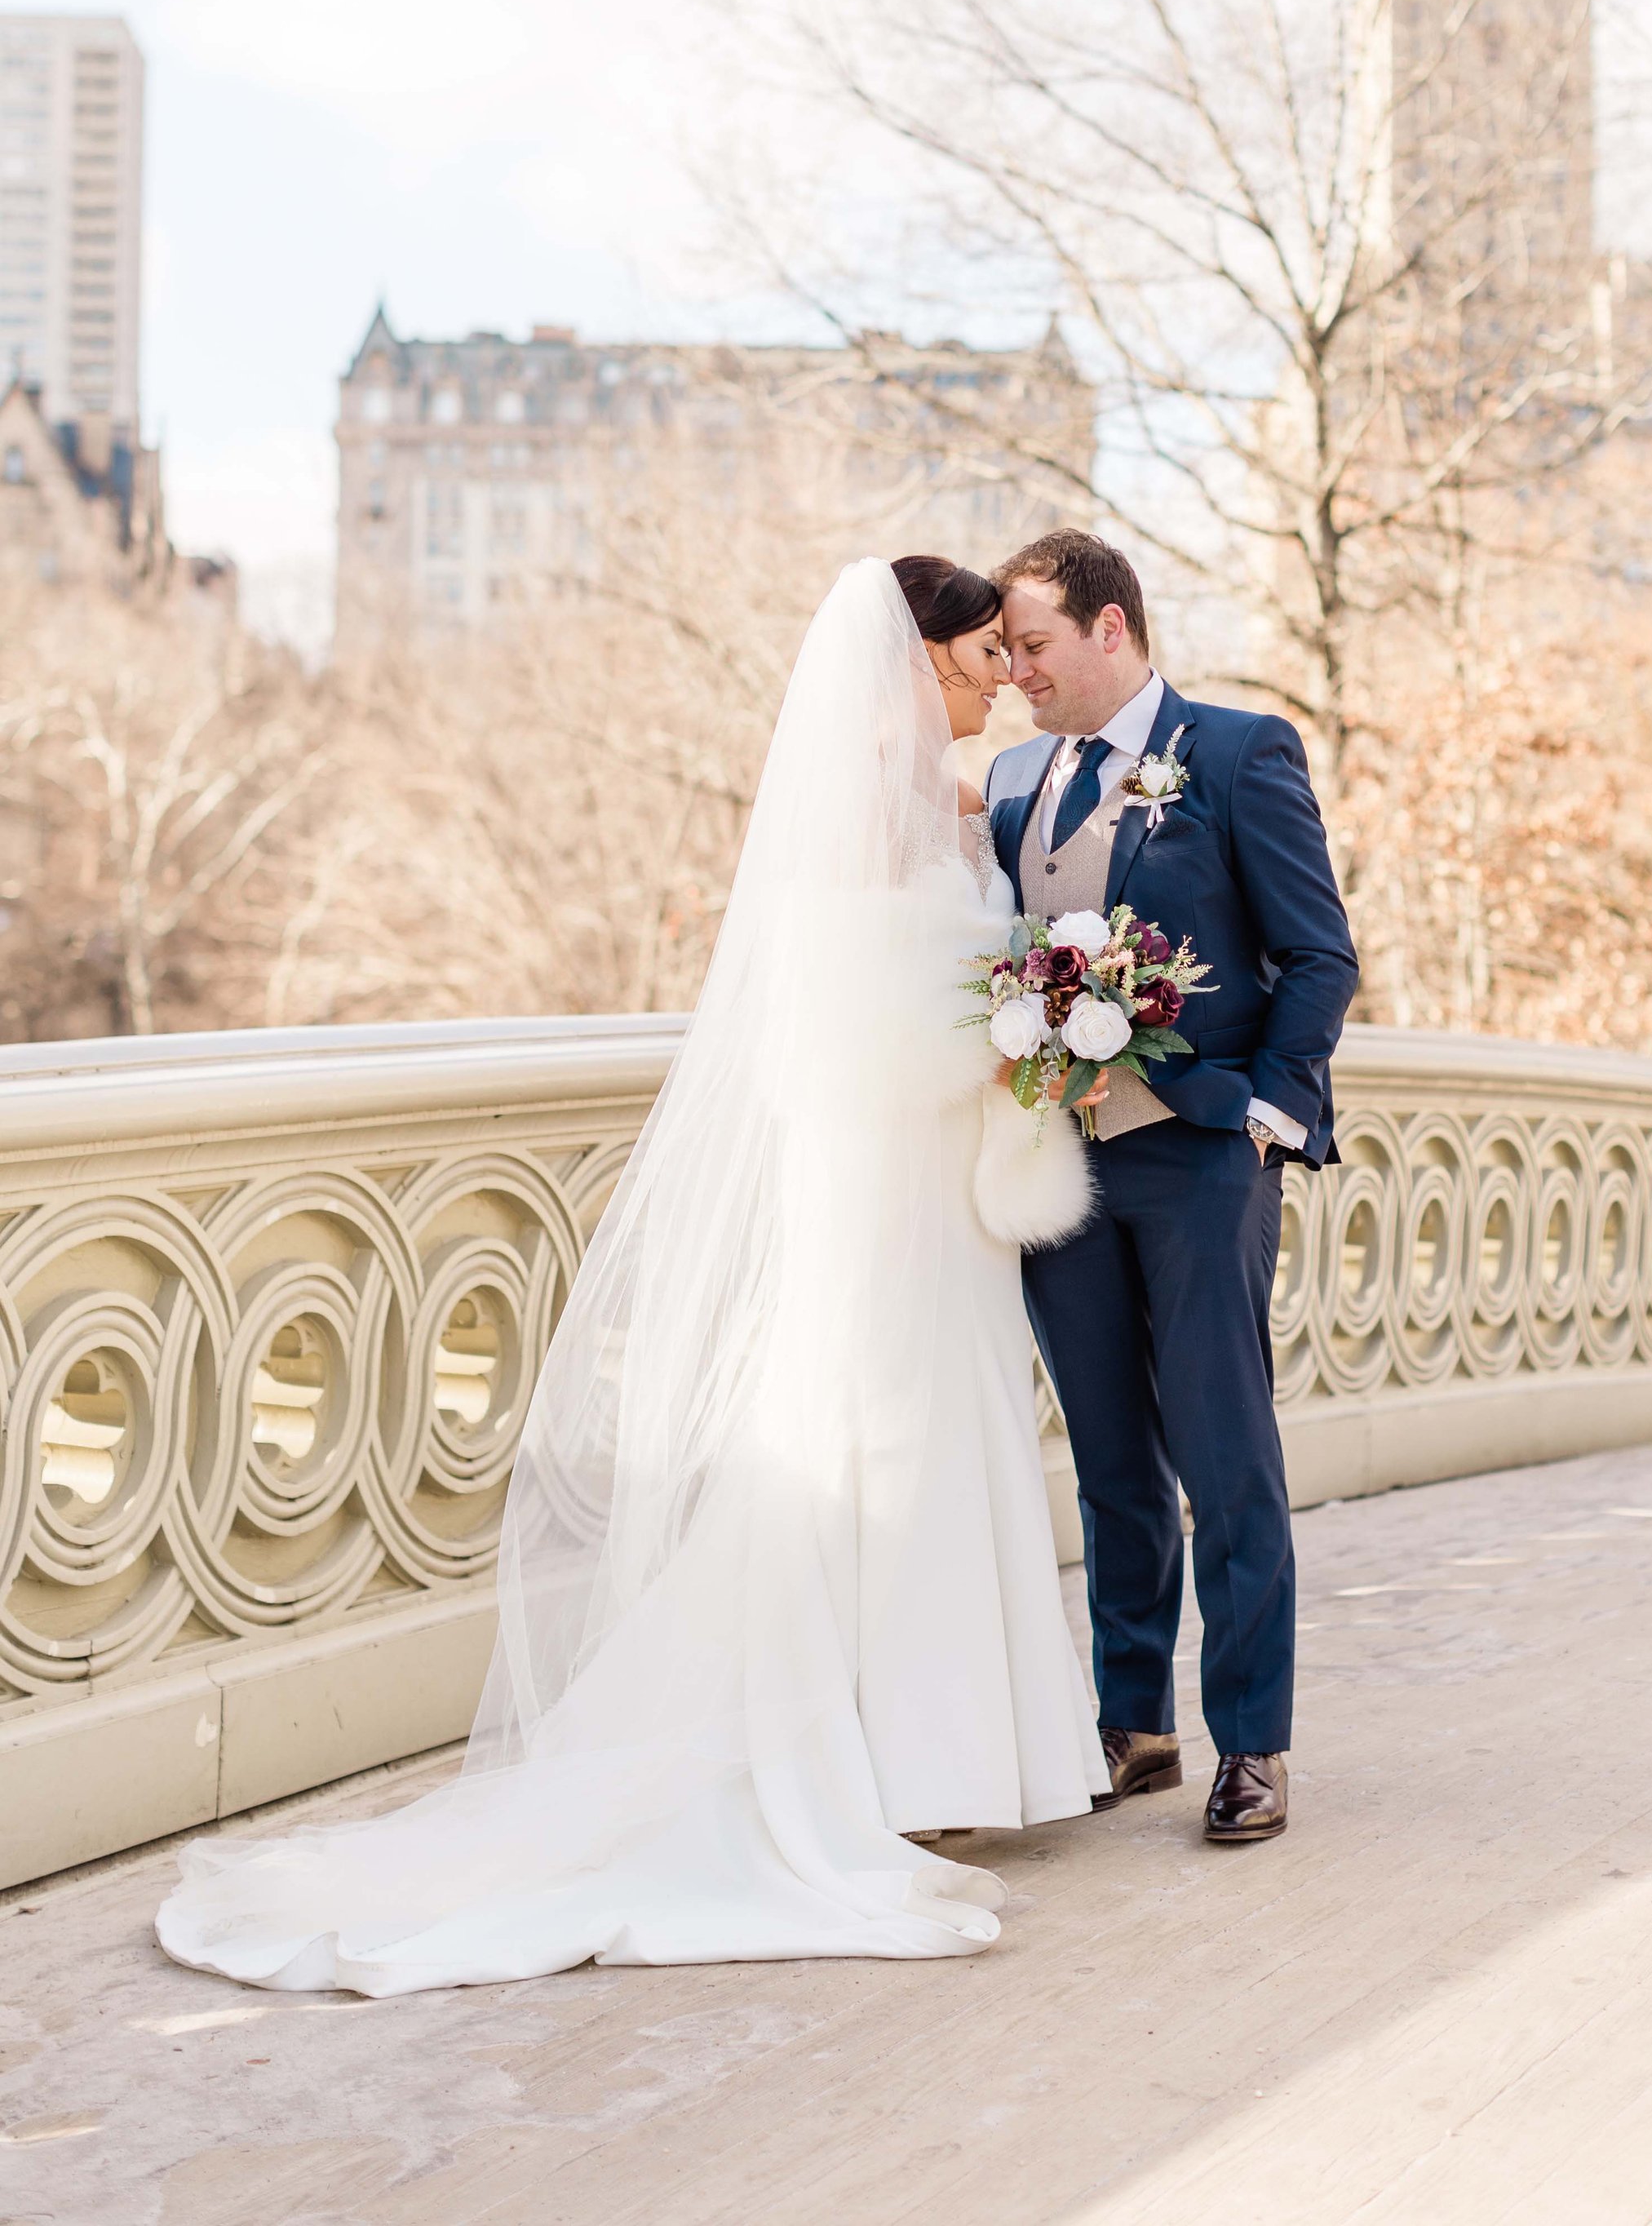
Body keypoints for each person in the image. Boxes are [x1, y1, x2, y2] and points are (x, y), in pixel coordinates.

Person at [157, 556, 1105, 1998]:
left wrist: (1031, 1020)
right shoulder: (853, 814)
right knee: (882, 1440)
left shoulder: (953, 804)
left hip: (943, 1193)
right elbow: (836, 1030)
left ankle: (942, 1754)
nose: (994, 679)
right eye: (975, 654)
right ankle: (876, 1760)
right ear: (909, 661)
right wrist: (1014, 1033)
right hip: (881, 1187)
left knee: (946, 1437)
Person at [990, 529, 1357, 1846]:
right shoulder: (1013, 778)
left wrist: (1267, 1110)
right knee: (1108, 1455)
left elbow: (1320, 956)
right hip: (1061, 1168)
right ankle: (1132, 1721)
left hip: (1203, 1154)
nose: (1016, 670)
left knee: (1221, 1446)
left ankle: (1251, 1740)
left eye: (1033, 644)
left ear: (1110, 628)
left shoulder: (1239, 751)